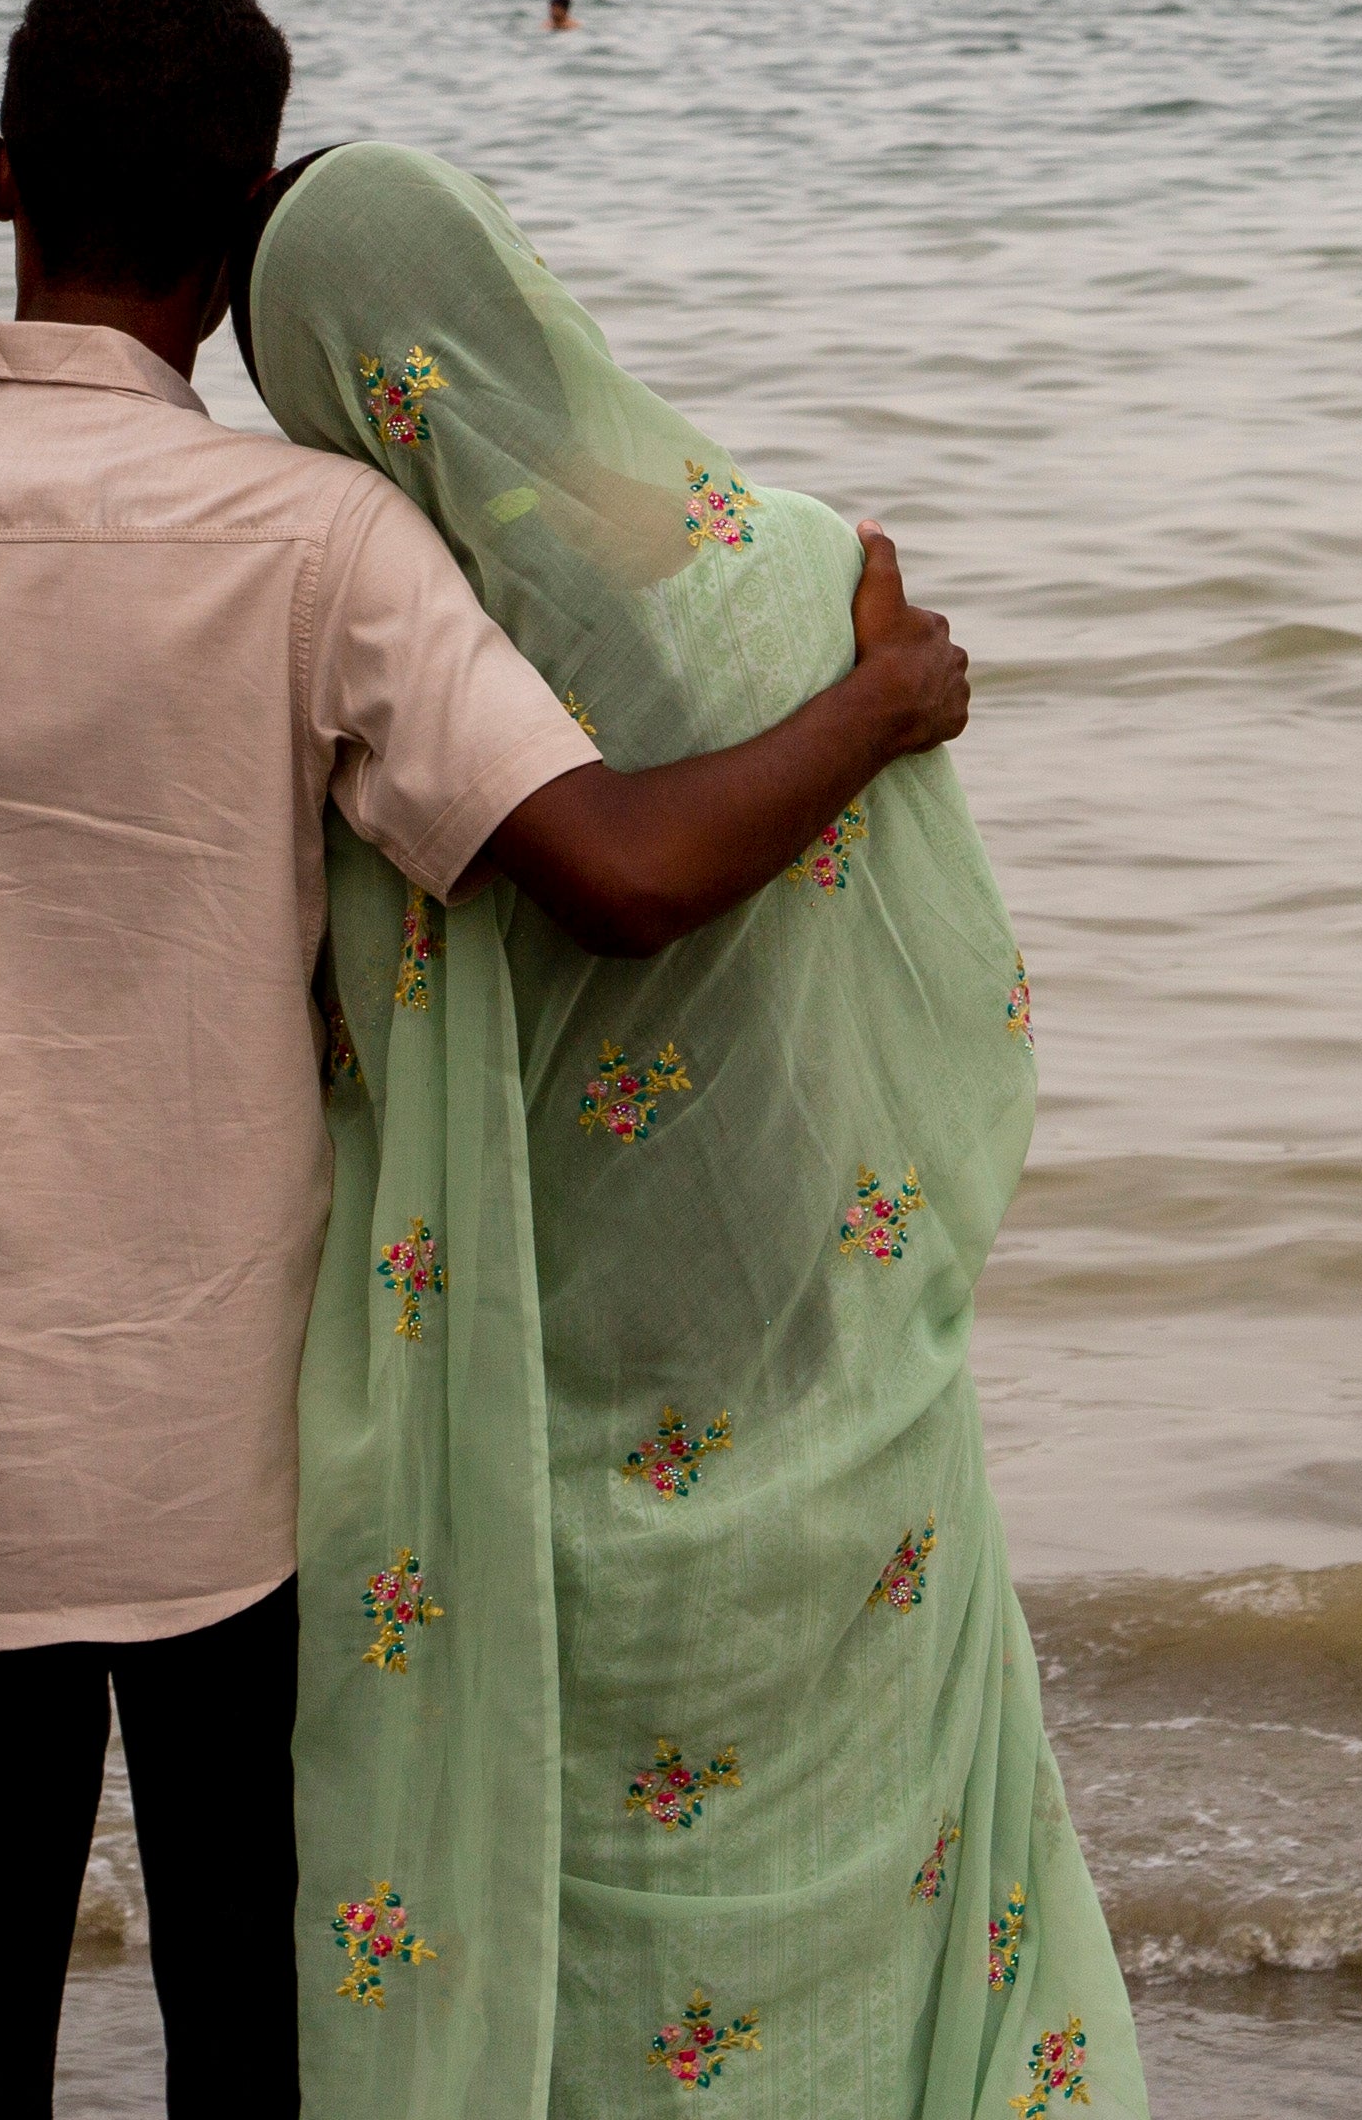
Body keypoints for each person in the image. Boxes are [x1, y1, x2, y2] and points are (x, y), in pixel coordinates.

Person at [0, 0, 971, 2120]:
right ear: (253, 207)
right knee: (267, 2055)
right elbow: (620, 870)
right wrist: (876, 706)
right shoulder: (312, 540)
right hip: (234, 1479)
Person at [241, 143, 1143, 2120]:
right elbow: (949, 983)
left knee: (618, 1919)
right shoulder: (814, 574)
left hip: (554, 1391)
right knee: (879, 1885)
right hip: (824, 1363)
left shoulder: (368, 669)